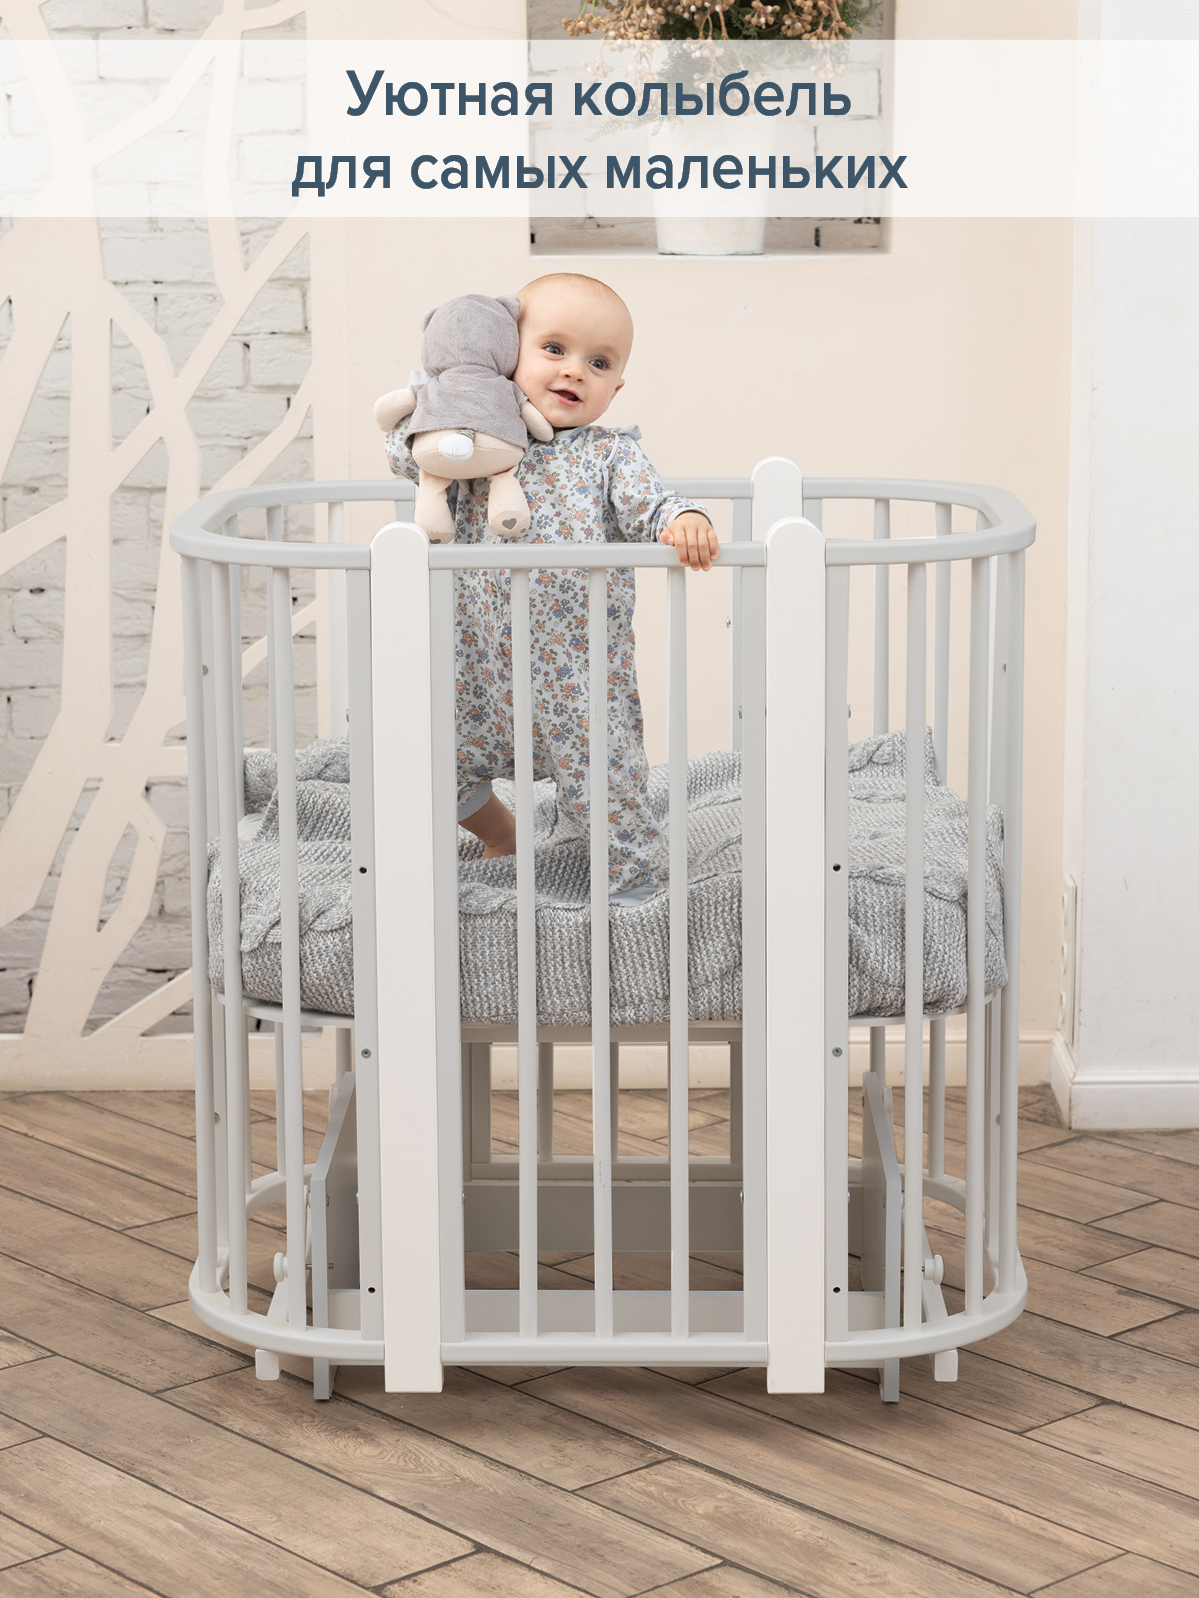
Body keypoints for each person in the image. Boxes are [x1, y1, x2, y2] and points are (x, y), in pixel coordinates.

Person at [383, 272, 719, 900]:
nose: (574, 371)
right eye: (554, 349)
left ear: (616, 388)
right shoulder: (478, 443)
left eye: (599, 363)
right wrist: (453, 395)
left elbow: (651, 502)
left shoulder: (607, 454)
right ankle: (502, 833)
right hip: (475, 668)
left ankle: (633, 888)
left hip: (577, 675)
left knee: (608, 782)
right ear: (508, 355)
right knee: (432, 763)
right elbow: (406, 454)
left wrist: (683, 519)